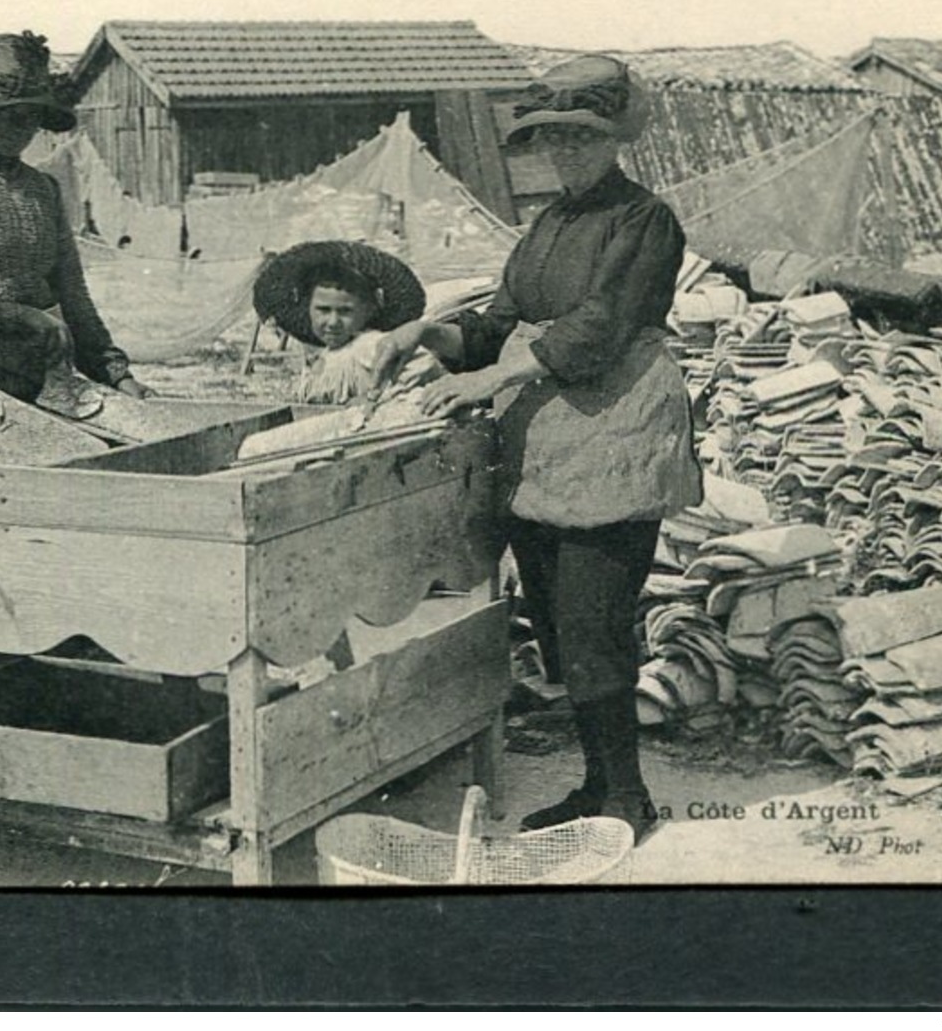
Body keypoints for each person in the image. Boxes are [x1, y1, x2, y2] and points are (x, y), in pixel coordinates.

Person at [370, 54, 703, 843]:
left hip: (616, 430)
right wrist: (427, 332)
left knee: (595, 622)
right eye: (554, 139)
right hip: (547, 441)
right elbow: (498, 322)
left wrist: (489, 382)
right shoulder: (546, 226)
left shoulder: (644, 220)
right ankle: (596, 784)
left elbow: (597, 329)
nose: (567, 153)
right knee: (558, 622)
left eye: (583, 139)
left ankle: (627, 797)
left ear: (614, 140)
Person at [0, 31, 149, 404]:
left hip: (41, 377)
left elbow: (73, 295)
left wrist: (117, 375)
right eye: (11, 117)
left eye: (32, 118)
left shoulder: (43, 190)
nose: (22, 129)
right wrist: (18, 317)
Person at [251, 240, 439, 405]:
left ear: (369, 310)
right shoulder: (326, 354)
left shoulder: (369, 344)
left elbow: (424, 364)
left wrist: (376, 399)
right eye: (323, 310)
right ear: (307, 308)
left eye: (345, 311)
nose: (333, 322)